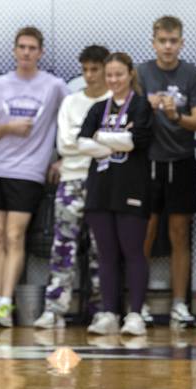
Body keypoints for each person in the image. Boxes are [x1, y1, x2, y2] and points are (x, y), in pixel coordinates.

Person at [0, 26, 69, 328]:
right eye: (21, 47)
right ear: (15, 51)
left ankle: (5, 305)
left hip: (29, 172)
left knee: (15, 236)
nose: (26, 52)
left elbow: (71, 120)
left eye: (32, 48)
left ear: (40, 52)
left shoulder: (54, 86)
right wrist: (8, 128)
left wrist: (63, 158)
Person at [33, 45, 110, 329]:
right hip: (70, 180)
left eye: (95, 69)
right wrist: (98, 143)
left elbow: (116, 145)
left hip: (103, 181)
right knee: (62, 247)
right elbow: (65, 144)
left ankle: (102, 309)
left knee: (101, 249)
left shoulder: (116, 101)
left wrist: (91, 143)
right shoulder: (71, 102)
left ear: (106, 69)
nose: (90, 76)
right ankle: (55, 309)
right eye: (85, 70)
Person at [138, 16, 196, 328]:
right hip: (148, 161)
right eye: (162, 41)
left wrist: (174, 115)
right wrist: (146, 108)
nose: (168, 46)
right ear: (153, 43)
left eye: (173, 40)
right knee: (145, 233)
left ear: (181, 42)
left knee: (179, 234)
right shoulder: (141, 72)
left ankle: (180, 304)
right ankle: (138, 303)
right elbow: (127, 117)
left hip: (181, 161)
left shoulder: (192, 75)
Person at [78, 53, 154, 335]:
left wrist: (103, 138)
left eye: (119, 74)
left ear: (130, 74)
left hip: (132, 187)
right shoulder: (98, 108)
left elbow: (139, 141)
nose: (113, 80)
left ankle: (134, 314)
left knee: (133, 251)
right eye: (109, 75)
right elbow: (81, 142)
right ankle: (109, 312)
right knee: (106, 254)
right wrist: (117, 142)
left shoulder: (142, 106)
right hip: (100, 189)